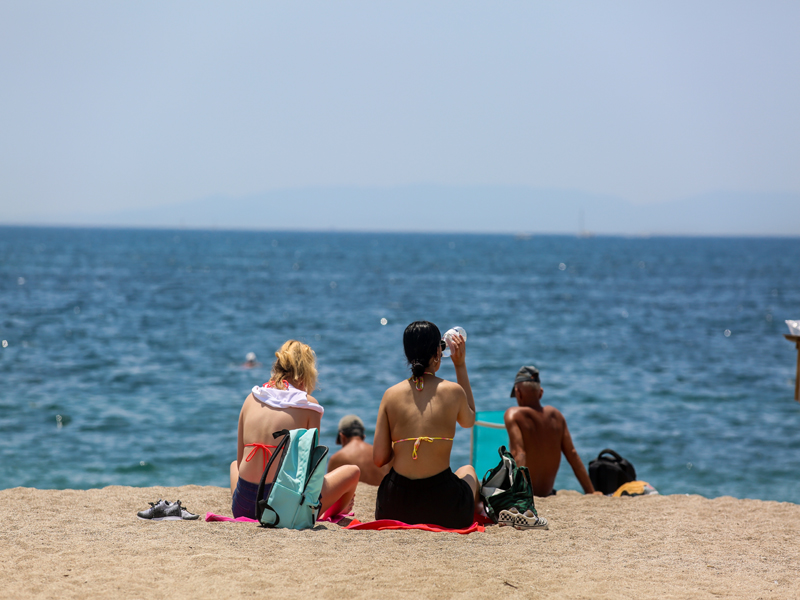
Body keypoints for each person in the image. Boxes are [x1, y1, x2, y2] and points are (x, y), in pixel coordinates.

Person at [230, 340, 360, 520]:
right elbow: (310, 474)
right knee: (353, 472)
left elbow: (239, 463)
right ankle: (339, 509)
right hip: (280, 510)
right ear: (306, 371)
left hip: (242, 506)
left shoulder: (251, 398)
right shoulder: (308, 405)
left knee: (233, 466)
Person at [373, 321, 478, 528]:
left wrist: (405, 444)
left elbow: (379, 458)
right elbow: (469, 420)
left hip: (394, 506)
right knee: (468, 470)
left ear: (408, 354)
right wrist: (460, 365)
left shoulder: (390, 395)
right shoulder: (453, 391)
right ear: (438, 352)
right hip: (445, 507)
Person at [504, 365, 599, 497]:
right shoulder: (556, 416)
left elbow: (519, 453)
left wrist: (517, 495)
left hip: (526, 493)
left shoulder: (513, 414)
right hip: (548, 493)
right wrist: (591, 492)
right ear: (540, 393)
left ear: (518, 393)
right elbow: (572, 455)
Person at [327, 415, 391, 486]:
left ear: (342, 437)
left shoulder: (336, 458)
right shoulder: (380, 454)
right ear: (363, 437)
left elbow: (330, 489)